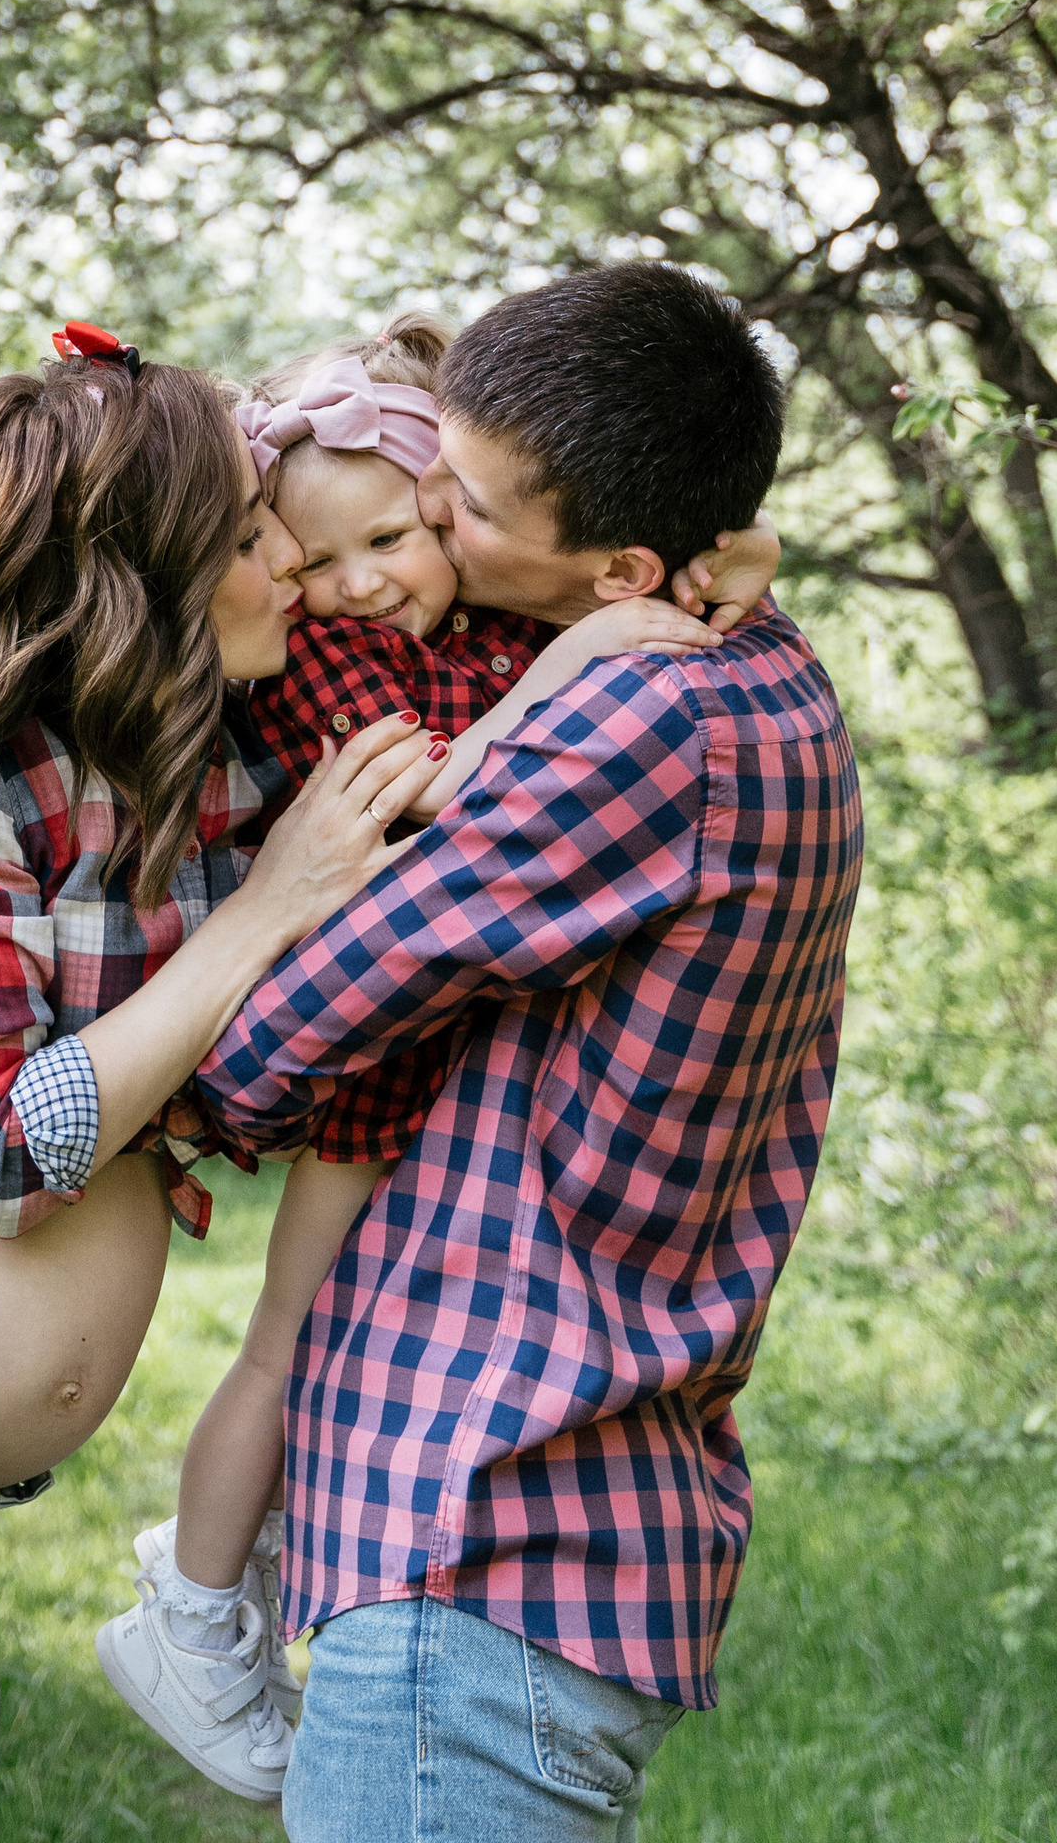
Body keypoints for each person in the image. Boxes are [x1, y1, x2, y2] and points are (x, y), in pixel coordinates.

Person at [0, 319, 774, 1843]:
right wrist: (270, 910)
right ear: (152, 574)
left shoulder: (234, 757)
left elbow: (476, 614)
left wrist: (706, 556)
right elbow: (5, 1155)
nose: (310, 575)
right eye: (261, 540)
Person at [196, 265, 864, 1843]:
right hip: (561, 1521)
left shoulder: (632, 725)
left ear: (622, 564)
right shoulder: (754, 661)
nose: (425, 509)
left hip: (487, 1525)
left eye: (466, 502)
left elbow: (271, 1052)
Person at [94, 317, 729, 1800]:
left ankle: (243, 1562)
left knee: (355, 1346)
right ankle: (185, 1607)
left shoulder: (488, 627)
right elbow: (434, 797)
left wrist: (703, 576)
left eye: (393, 534)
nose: (360, 581)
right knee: (285, 1338)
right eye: (313, 563)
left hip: (465, 1074)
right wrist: (586, 662)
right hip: (374, 1083)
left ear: (446, 502)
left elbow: (636, 573)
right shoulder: (336, 661)